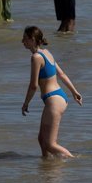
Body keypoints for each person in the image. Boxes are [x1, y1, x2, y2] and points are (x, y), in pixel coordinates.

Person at [21, 26, 82, 158]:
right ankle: (47, 165)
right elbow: (62, 74)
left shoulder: (36, 57)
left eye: (25, 39)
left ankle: (75, 160)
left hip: (54, 101)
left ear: (32, 40)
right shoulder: (47, 52)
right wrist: (74, 92)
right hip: (59, 97)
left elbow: (33, 85)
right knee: (41, 139)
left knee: (50, 143)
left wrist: (26, 103)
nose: (22, 41)